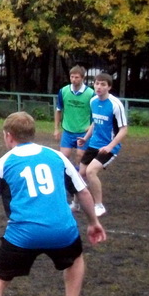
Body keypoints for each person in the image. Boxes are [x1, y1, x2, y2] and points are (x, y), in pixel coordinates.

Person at [0, 112, 106, 296]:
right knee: (75, 259)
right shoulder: (57, 156)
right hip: (62, 231)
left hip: (23, 235)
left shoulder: (3, 163)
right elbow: (83, 193)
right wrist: (93, 222)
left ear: (8, 136)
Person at [77, 72, 128, 217]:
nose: (99, 87)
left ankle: (99, 205)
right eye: (97, 83)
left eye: (103, 84)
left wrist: (110, 146)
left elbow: (124, 129)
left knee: (90, 172)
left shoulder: (115, 105)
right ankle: (76, 204)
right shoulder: (93, 101)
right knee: (80, 174)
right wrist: (85, 138)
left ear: (109, 87)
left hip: (109, 147)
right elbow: (95, 122)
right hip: (93, 144)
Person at [53, 65, 95, 209]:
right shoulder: (64, 91)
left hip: (83, 132)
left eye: (77, 77)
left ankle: (79, 187)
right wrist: (56, 128)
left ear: (83, 78)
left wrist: (90, 128)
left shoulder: (90, 94)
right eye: (72, 76)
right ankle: (68, 185)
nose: (74, 79)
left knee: (80, 158)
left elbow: (94, 114)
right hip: (68, 131)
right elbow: (58, 110)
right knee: (63, 159)